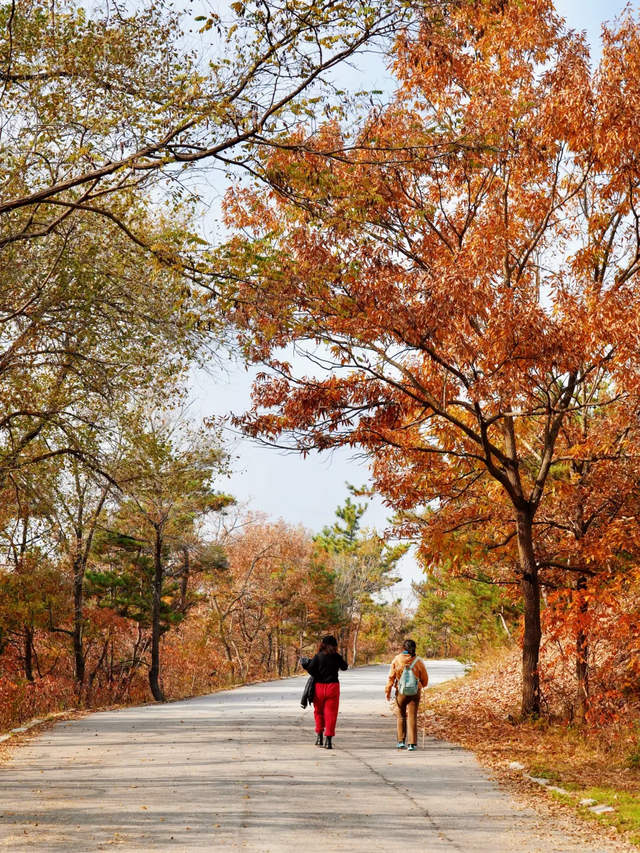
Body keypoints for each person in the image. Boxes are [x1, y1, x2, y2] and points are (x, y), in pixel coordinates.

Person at [305, 635, 348, 749]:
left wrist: (307, 664)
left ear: (322, 644)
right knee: (331, 714)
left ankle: (319, 737)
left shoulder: (318, 657)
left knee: (318, 712)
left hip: (319, 687)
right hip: (333, 687)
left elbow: (310, 670)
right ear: (335, 646)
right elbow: (345, 667)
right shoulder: (337, 657)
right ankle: (328, 740)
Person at [385, 639, 428, 751]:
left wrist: (388, 691)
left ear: (403, 648)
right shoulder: (418, 661)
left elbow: (391, 677)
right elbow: (425, 679)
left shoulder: (397, 660)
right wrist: (421, 684)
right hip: (414, 692)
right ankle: (411, 744)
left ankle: (401, 741)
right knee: (412, 716)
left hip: (401, 691)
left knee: (401, 716)